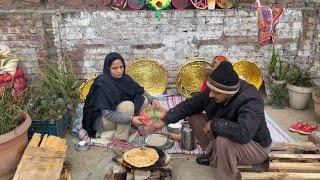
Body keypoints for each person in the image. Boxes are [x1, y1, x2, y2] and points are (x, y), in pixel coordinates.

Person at [151, 61, 272, 180]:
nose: (210, 95)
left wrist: (214, 124)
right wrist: (164, 121)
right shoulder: (215, 90)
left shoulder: (251, 99)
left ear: (229, 93)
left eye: (216, 93)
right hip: (229, 135)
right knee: (194, 117)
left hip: (255, 146)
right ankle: (213, 156)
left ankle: (225, 177)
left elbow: (244, 133)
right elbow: (189, 106)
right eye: (211, 90)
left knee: (223, 141)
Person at [82, 52, 160, 140]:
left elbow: (140, 91)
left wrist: (153, 99)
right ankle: (120, 139)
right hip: (102, 120)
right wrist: (130, 119)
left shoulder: (125, 78)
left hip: (119, 113)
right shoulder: (102, 84)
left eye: (121, 67)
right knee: (127, 106)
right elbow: (108, 114)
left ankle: (132, 124)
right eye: (114, 68)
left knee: (144, 100)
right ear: (108, 69)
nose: (119, 71)